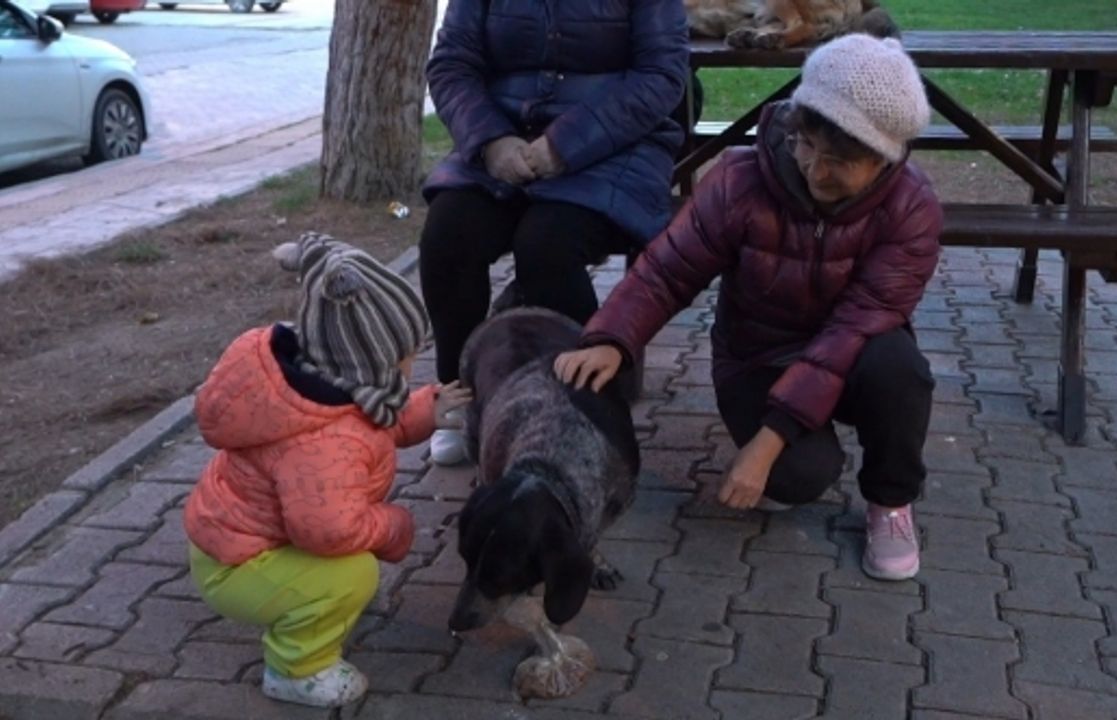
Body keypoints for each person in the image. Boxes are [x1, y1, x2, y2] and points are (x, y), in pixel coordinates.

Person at [555, 34, 942, 581]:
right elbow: (669, 268)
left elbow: (853, 329)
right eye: (806, 144)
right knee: (800, 478)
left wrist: (765, 443)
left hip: (851, 348)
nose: (814, 169)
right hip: (758, 353)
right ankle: (801, 448)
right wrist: (612, 337)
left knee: (899, 371)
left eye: (839, 162)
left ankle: (891, 502)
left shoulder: (912, 208)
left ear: (884, 159)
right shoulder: (740, 179)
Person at [183, 232, 471, 708]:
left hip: (238, 538)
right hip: (238, 564)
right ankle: (297, 669)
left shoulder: (324, 380)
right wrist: (393, 528)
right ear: (375, 359)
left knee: (345, 559)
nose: (411, 363)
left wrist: (428, 409)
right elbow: (329, 529)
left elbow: (376, 422)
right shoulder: (324, 443)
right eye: (407, 354)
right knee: (352, 572)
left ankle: (310, 603)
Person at [417, 0, 690, 465]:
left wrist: (564, 146)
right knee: (447, 235)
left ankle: (589, 408)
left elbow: (662, 76)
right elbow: (452, 64)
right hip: (502, 142)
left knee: (547, 245)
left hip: (613, 148)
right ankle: (459, 398)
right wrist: (489, 141)